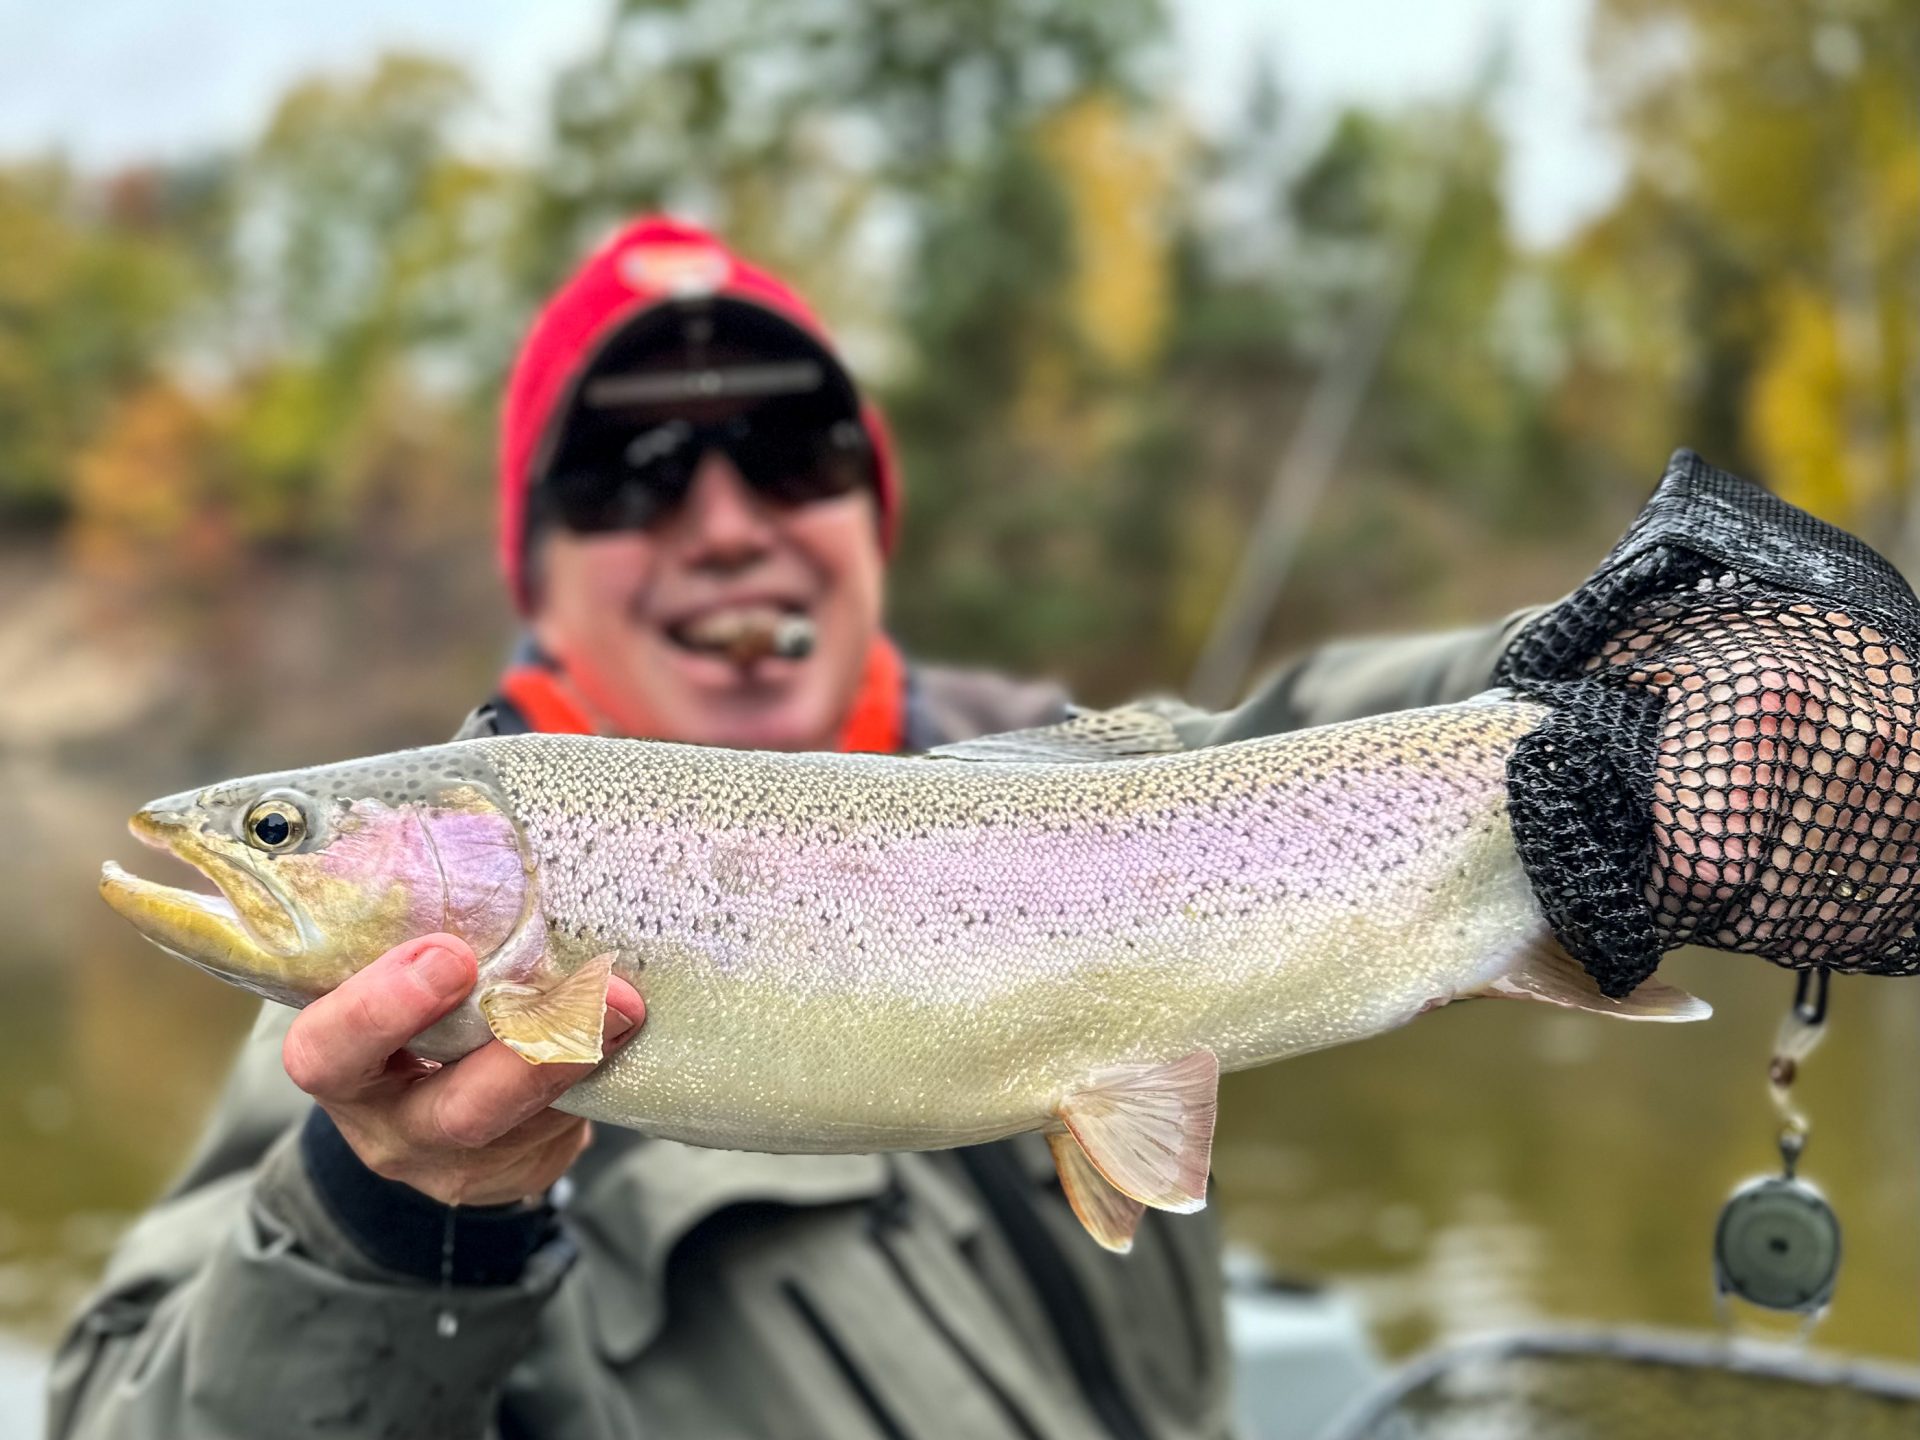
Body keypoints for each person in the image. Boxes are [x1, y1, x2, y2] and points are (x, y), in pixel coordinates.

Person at [44, 217, 1575, 1440]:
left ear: (869, 517)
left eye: (793, 453)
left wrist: (1594, 675)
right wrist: (386, 1221)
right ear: (539, 567)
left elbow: (1319, 738)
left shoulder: (1070, 769)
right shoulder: (372, 1057)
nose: (725, 520)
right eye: (633, 474)